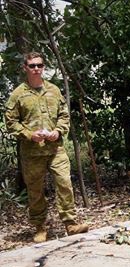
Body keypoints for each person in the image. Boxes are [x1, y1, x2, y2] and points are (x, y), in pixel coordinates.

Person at [4, 52, 88, 242]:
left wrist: (58, 131)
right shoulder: (18, 94)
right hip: (32, 152)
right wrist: (29, 134)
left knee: (65, 184)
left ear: (43, 67)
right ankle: (40, 227)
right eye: (32, 66)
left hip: (55, 149)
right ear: (25, 68)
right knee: (35, 190)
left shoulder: (54, 90)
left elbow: (64, 115)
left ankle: (70, 224)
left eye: (39, 65)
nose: (36, 69)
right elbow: (11, 122)